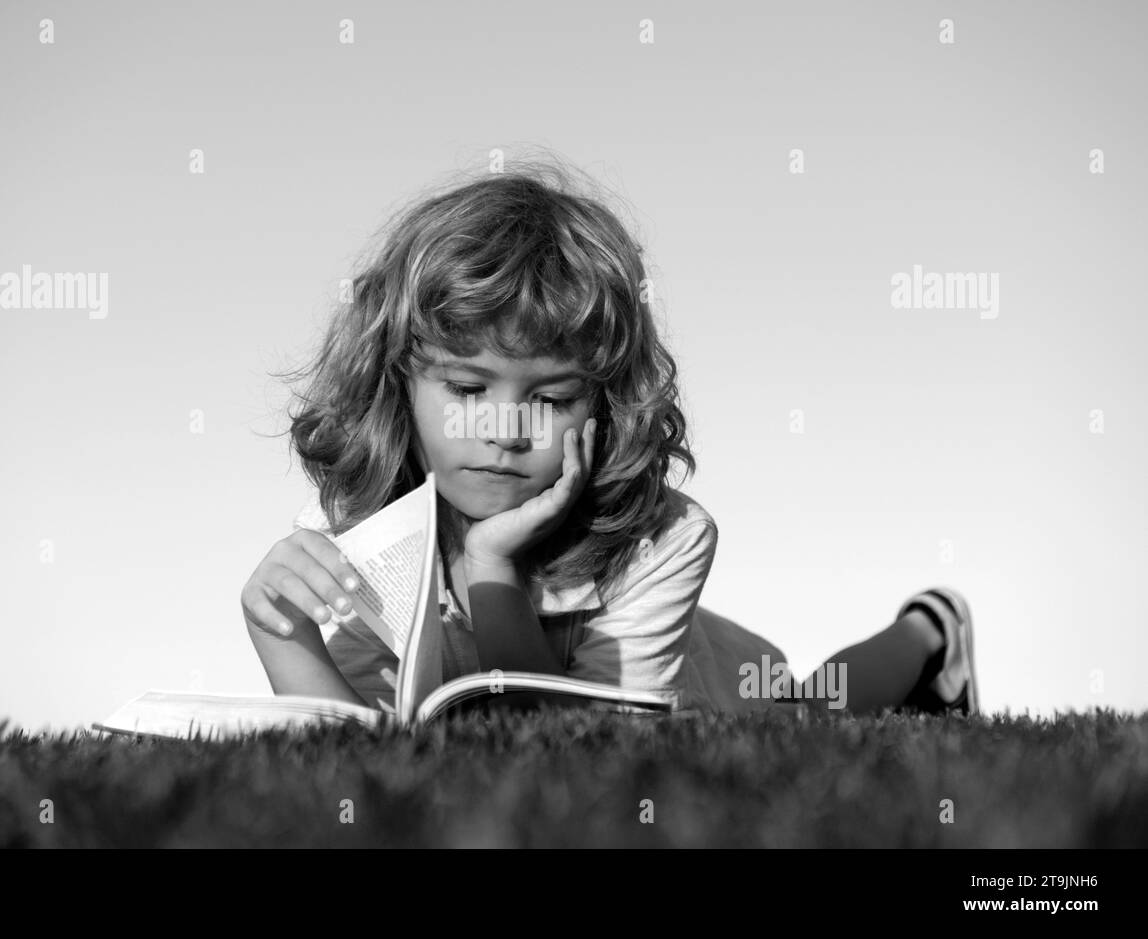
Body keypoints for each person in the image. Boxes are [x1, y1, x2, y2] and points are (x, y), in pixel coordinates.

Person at [240, 157, 979, 720]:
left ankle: (929, 632)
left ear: (604, 403)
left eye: (551, 396)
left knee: (818, 713)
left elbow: (573, 749)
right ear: (397, 381)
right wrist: (279, 632)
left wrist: (490, 563)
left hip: (721, 684)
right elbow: (355, 741)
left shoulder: (671, 539)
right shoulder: (358, 536)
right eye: (468, 389)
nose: (502, 429)